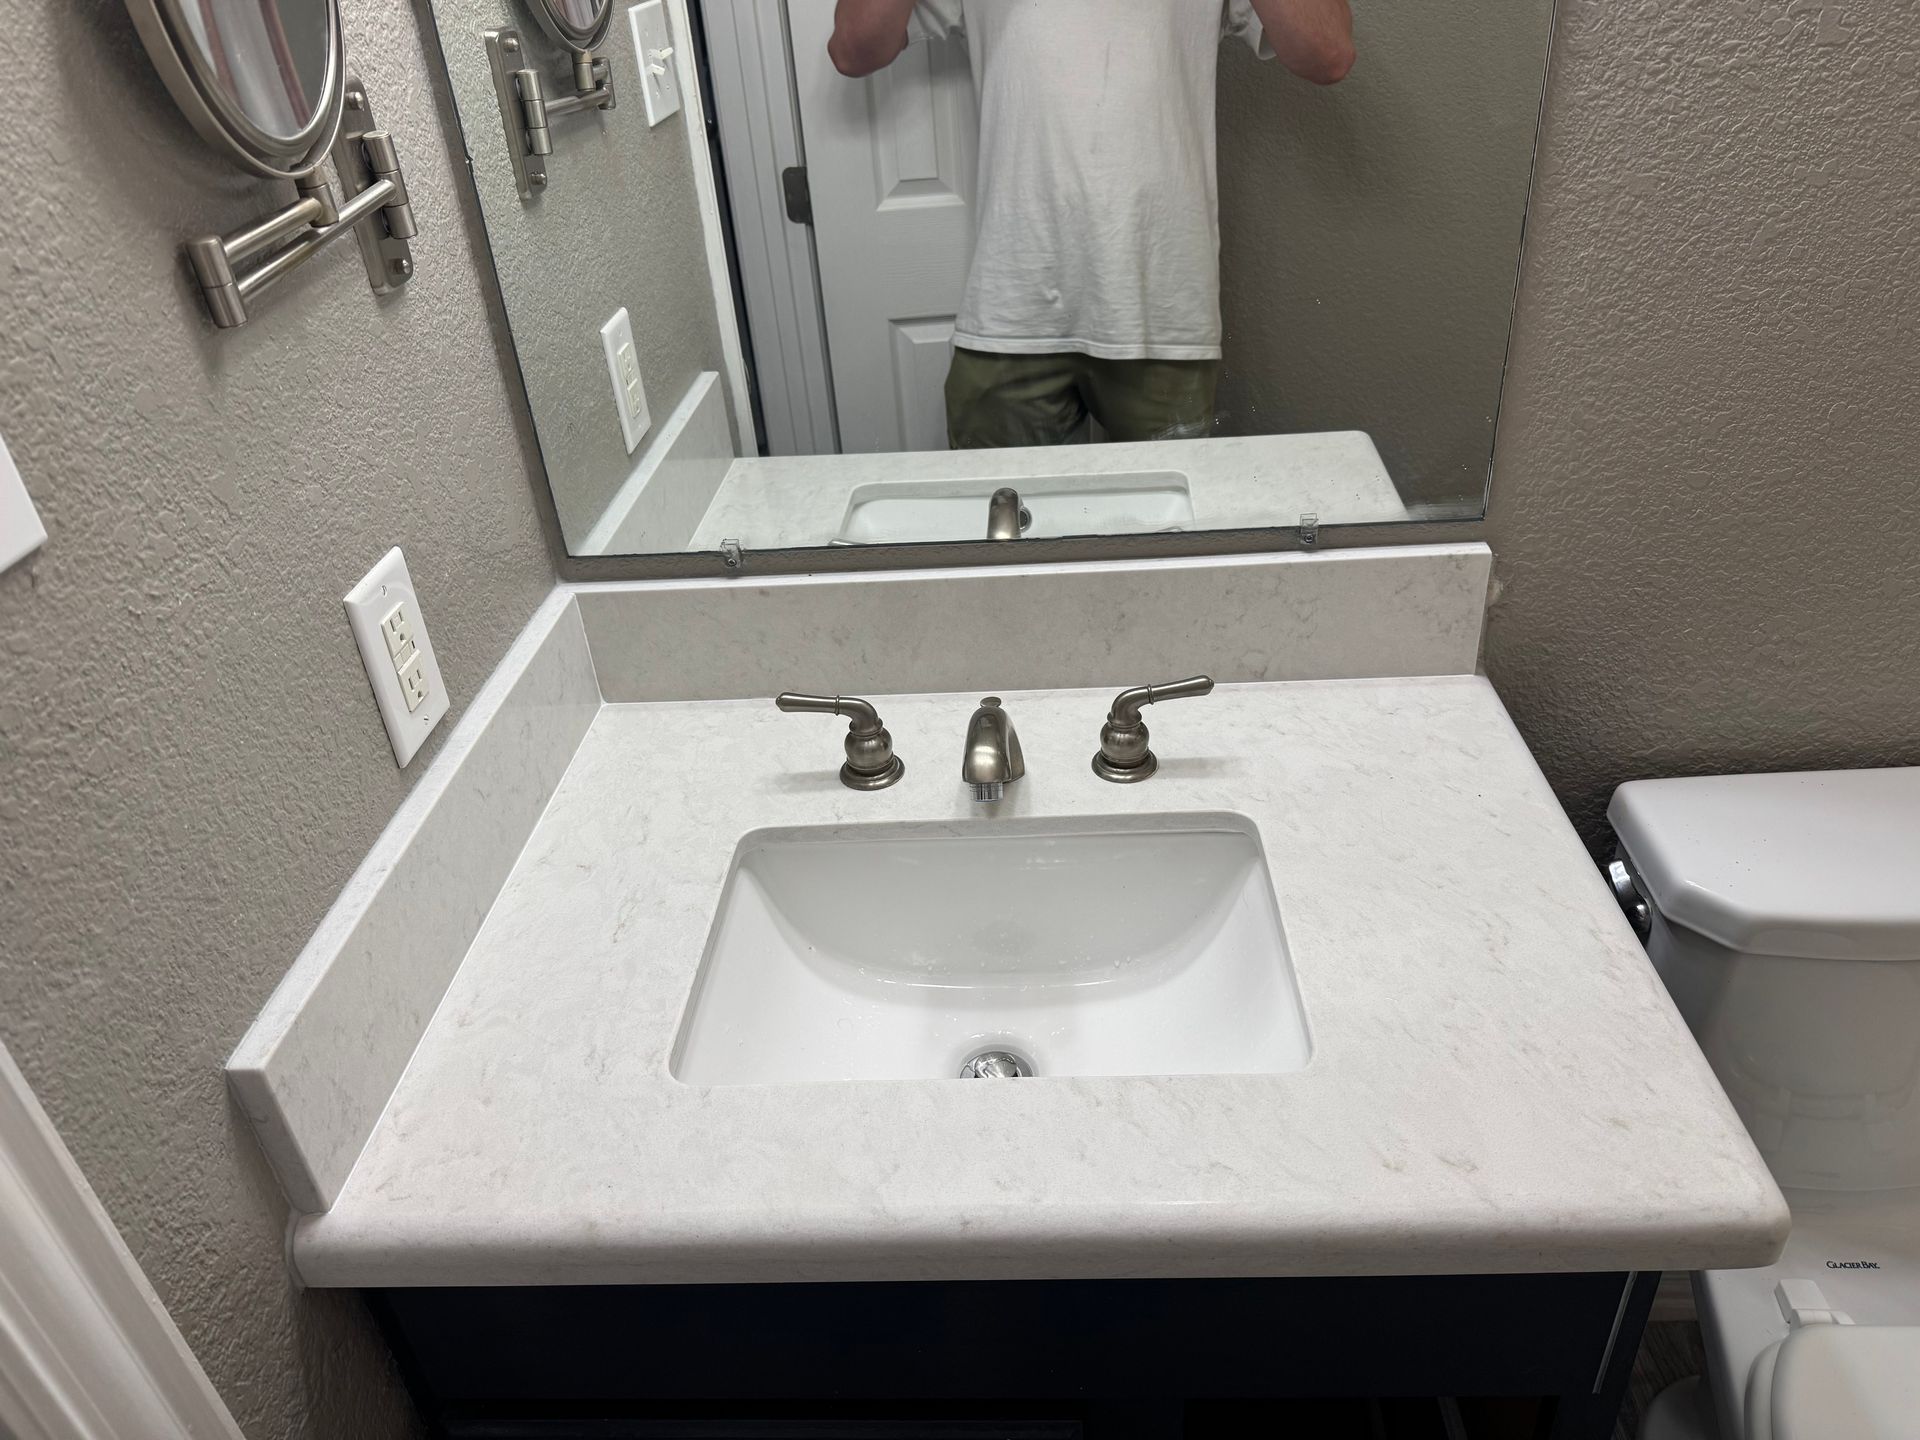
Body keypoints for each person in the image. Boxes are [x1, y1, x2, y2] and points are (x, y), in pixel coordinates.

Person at [828, 0, 1354, 450]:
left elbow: (1327, 53)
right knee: (1004, 564)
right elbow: (854, 48)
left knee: (1163, 563)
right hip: (1011, 314)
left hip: (1162, 317)